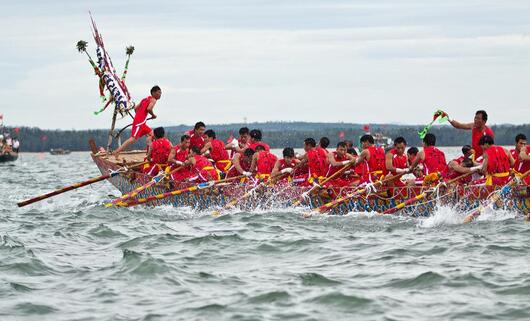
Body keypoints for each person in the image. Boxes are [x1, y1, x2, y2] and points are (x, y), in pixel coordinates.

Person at [113, 85, 161, 158]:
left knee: (153, 135)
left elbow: (135, 108)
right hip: (140, 122)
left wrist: (139, 115)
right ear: (154, 93)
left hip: (141, 122)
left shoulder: (145, 99)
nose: (160, 94)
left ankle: (151, 153)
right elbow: (149, 109)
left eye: (161, 93)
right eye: (159, 92)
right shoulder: (153, 100)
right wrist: (153, 115)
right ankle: (117, 151)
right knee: (133, 139)